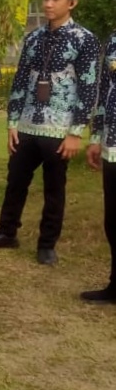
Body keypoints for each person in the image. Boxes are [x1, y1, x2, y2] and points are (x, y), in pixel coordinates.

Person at [0, 0, 100, 266]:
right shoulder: (33, 38)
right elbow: (20, 81)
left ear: (72, 3)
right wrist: (12, 123)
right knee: (15, 181)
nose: (47, 4)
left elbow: (88, 86)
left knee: (55, 188)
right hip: (27, 124)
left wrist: (76, 132)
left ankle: (47, 244)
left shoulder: (84, 40)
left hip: (59, 126)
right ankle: (7, 232)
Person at [83, 30, 116, 302]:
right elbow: (104, 91)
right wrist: (95, 137)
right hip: (113, 146)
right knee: (113, 220)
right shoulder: (114, 40)